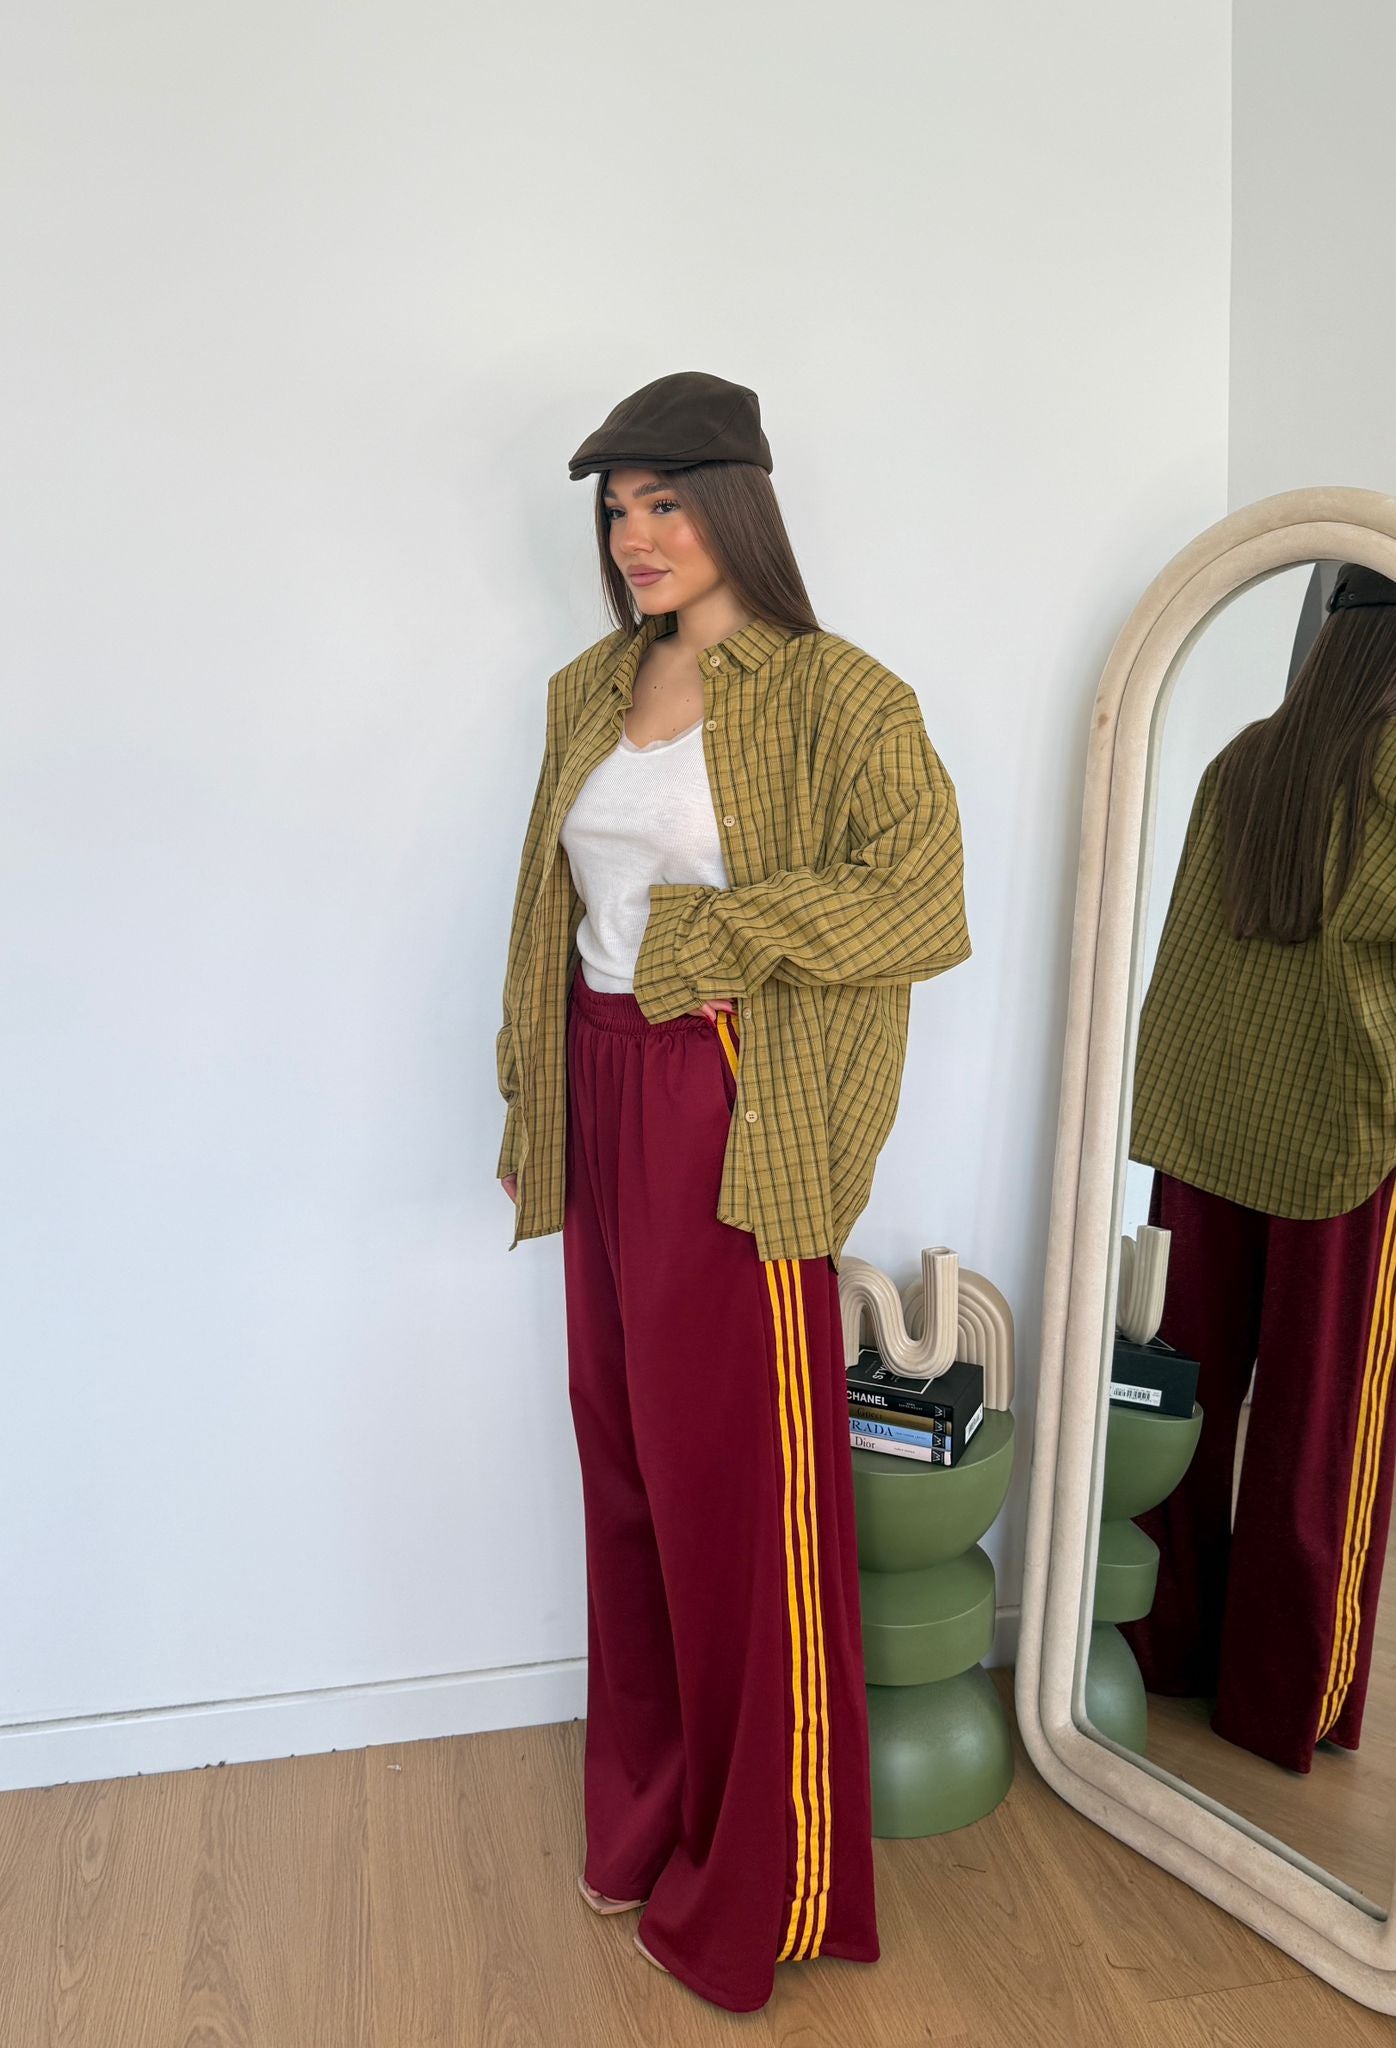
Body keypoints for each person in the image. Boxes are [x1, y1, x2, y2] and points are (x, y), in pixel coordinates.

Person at [493, 370, 971, 2011]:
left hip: (728, 1098)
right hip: (600, 1081)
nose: (636, 536)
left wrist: (719, 935)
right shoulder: (588, 684)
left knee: (736, 1495)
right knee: (625, 1461)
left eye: (667, 503)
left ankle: (762, 1871)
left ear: (738, 507)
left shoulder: (842, 695)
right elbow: (552, 912)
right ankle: (645, 1823)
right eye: (617, 510)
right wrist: (537, 1080)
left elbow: (922, 899)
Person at [1125, 562, 1396, 1774]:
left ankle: (1160, 1647)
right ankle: (1280, 1699)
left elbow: (1190, 949)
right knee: (1317, 1430)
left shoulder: (1245, 760)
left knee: (1176, 1411)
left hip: (1205, 1120)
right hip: (1345, 1134)